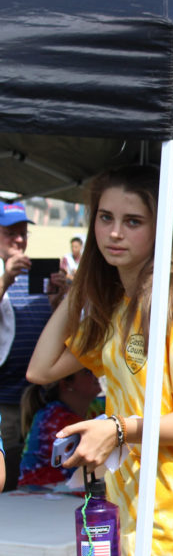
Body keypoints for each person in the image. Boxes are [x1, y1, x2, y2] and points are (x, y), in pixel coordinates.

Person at [26, 165, 173, 556]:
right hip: (129, 504)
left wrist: (118, 429)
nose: (114, 233)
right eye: (105, 218)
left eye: (133, 222)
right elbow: (40, 369)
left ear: (160, 228)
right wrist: (85, 278)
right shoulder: (119, 309)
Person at [0, 202, 64, 490]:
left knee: (31, 477)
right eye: (10, 232)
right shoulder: (8, 276)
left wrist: (58, 302)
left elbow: (48, 333)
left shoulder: (33, 275)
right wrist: (5, 278)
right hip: (6, 403)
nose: (19, 239)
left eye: (23, 232)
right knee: (9, 475)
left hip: (37, 400)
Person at [18, 368, 103, 487]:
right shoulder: (54, 418)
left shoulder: (96, 406)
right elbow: (82, 468)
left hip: (68, 490)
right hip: (43, 495)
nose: (96, 374)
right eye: (87, 372)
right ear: (66, 384)